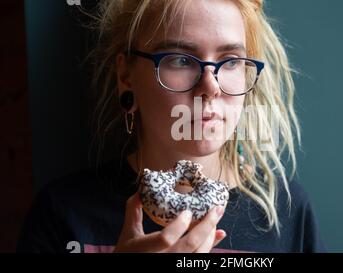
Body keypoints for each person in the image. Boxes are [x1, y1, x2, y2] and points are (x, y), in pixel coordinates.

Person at [17, 0, 325, 253]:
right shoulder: (62, 215)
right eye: (180, 60)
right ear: (126, 76)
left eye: (230, 60)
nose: (210, 87)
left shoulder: (287, 212)